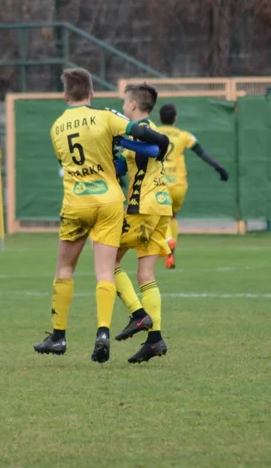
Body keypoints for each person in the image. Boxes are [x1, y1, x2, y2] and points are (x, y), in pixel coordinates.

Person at [34, 68, 169, 363]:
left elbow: (65, 161)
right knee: (107, 271)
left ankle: (58, 336)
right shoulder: (105, 117)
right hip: (110, 201)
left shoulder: (56, 127)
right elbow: (141, 134)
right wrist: (157, 142)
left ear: (65, 95)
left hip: (76, 202)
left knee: (65, 269)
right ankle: (104, 333)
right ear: (92, 93)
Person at [111, 83, 174, 363]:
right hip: (160, 208)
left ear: (134, 105)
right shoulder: (136, 136)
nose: (124, 107)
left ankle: (138, 316)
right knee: (145, 276)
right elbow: (120, 169)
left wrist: (121, 139)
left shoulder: (145, 132)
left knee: (108, 261)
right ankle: (155, 339)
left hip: (143, 208)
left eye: (125, 103)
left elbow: (151, 150)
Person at [156, 102, 230, 269]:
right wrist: (219, 168)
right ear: (176, 118)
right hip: (179, 185)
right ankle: (170, 257)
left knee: (158, 217)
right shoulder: (184, 135)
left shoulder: (154, 133)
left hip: (159, 183)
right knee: (172, 216)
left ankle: (168, 241)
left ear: (160, 118)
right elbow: (202, 153)